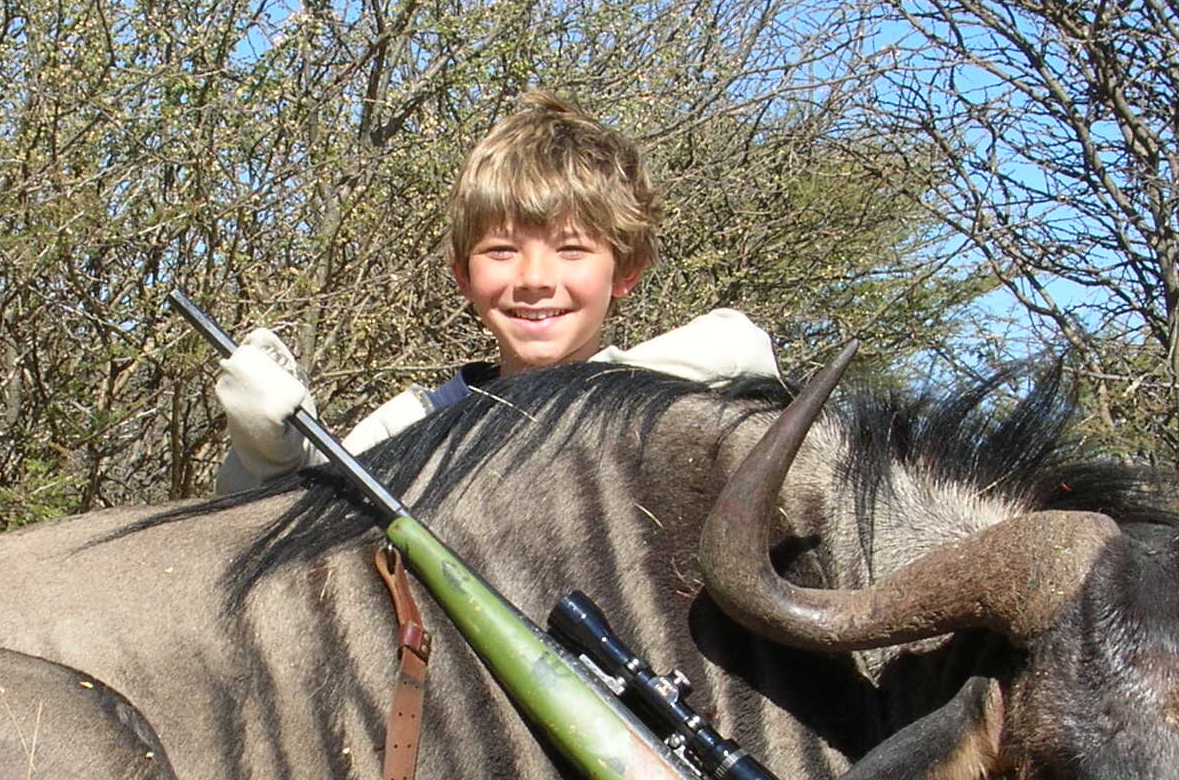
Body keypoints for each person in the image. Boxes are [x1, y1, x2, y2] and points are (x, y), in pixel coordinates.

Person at [214, 92, 778, 495]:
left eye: (572, 249)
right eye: (501, 250)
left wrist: (599, 392)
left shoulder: (674, 393)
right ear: (463, 274)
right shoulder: (411, 424)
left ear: (626, 270)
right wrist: (267, 449)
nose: (534, 278)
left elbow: (742, 351)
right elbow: (289, 521)